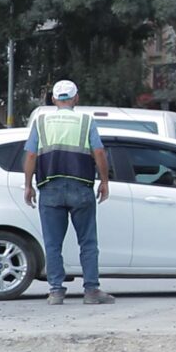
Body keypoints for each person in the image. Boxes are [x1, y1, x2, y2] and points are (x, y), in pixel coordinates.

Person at [23, 79, 111, 307]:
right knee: (88, 243)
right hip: (81, 186)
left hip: (49, 187)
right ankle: (91, 291)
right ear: (75, 98)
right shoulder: (85, 121)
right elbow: (99, 152)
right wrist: (104, 181)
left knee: (53, 244)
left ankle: (55, 292)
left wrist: (28, 185)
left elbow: (31, 156)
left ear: (53, 99)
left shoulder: (41, 121)